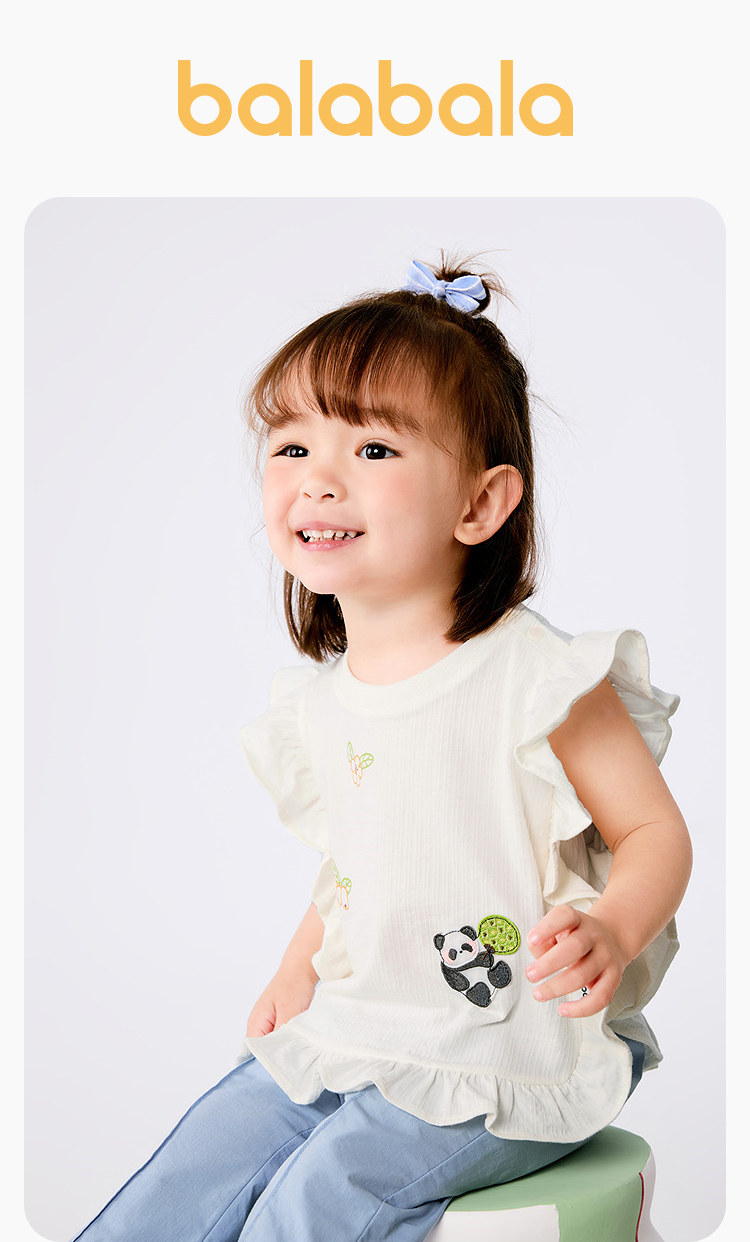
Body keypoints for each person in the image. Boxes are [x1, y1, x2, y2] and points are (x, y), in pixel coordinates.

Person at [72, 256, 692, 1241]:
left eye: (371, 448)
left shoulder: (538, 677)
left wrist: (613, 929)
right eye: (291, 445)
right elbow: (358, 871)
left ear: (479, 505)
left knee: (319, 1195)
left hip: (504, 1053)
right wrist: (297, 968)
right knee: (198, 1160)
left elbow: (654, 831)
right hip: (363, 1027)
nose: (317, 477)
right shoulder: (324, 704)